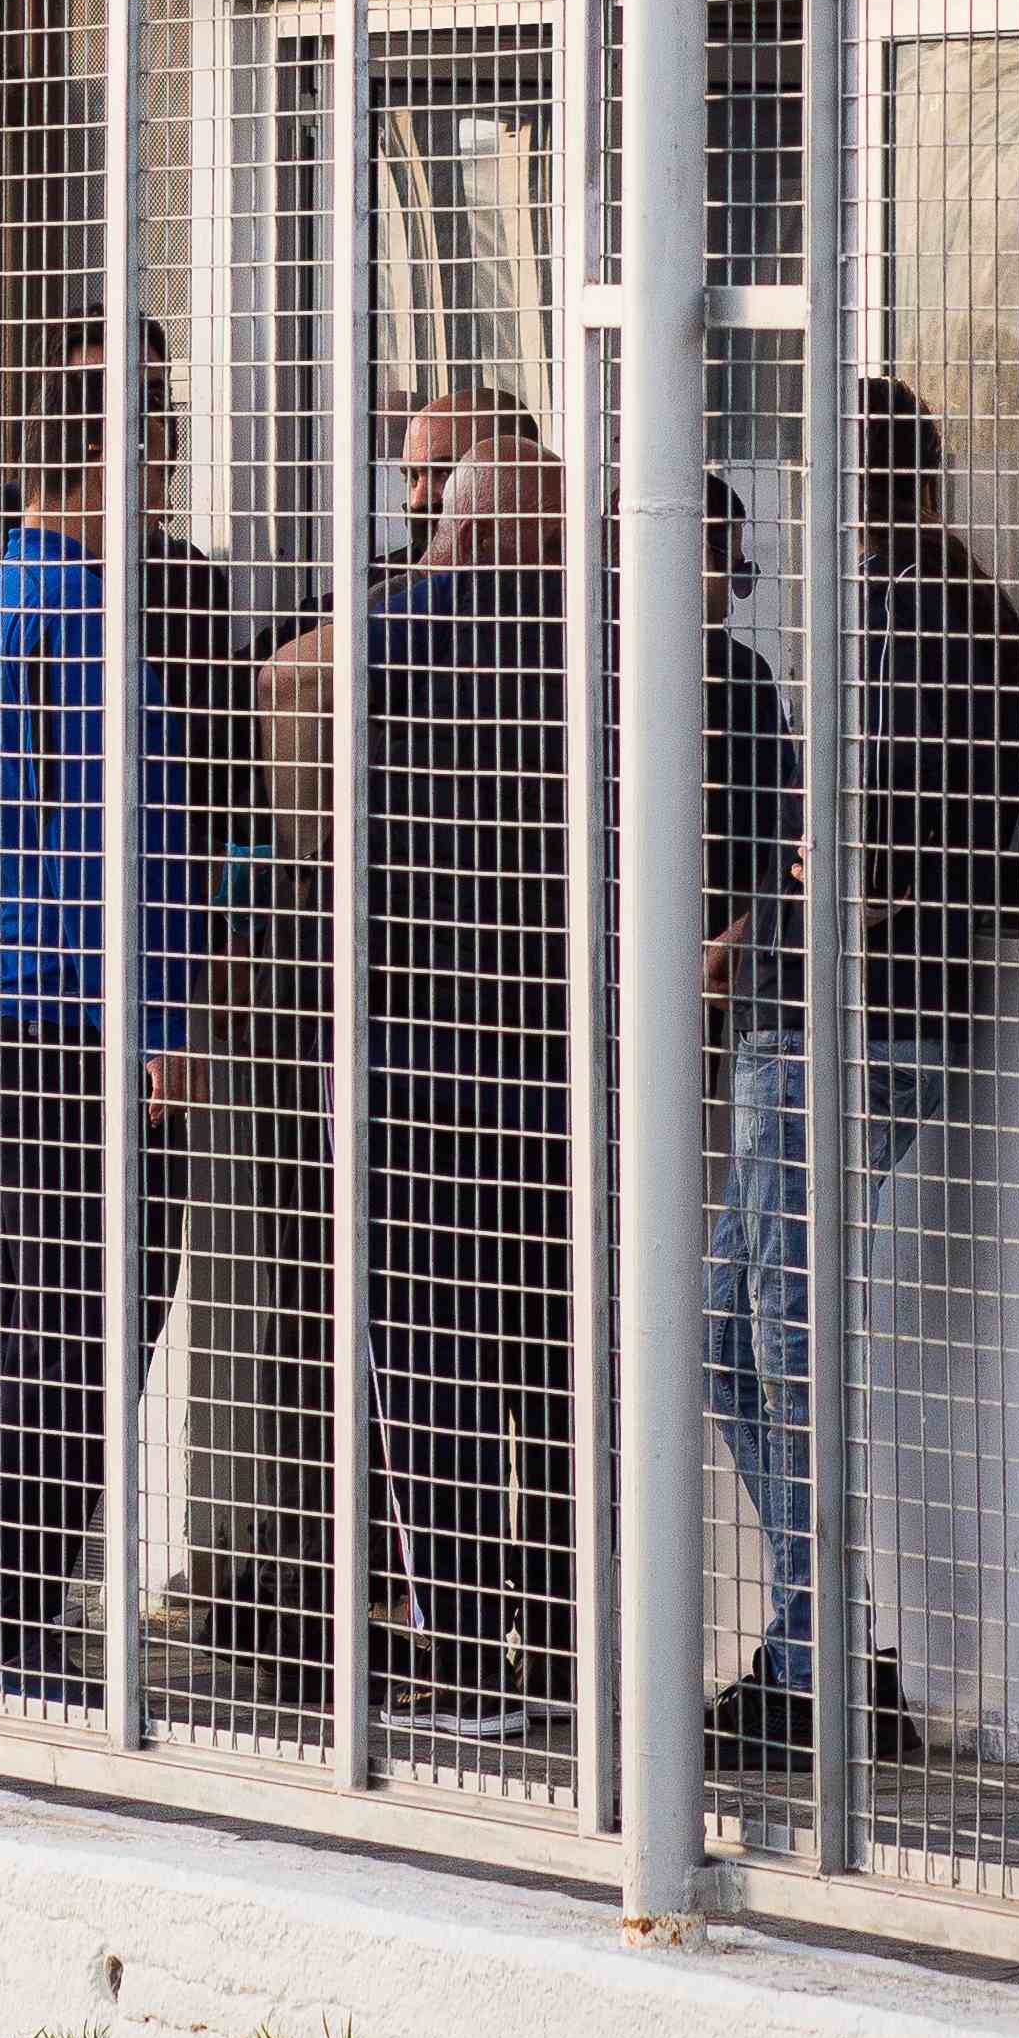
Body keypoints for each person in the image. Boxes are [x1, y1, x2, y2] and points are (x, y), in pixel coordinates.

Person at [699, 377, 1019, 1774]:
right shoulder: (935, 607)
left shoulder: (914, 615)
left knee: (782, 1337)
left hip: (845, 1022)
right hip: (834, 1010)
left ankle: (822, 1666)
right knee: (734, 1335)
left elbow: (881, 828)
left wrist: (809, 883)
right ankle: (820, 1643)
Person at [0, 316, 208, 1702]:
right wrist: (165, 1017)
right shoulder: (86, 616)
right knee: (88, 1321)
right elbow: (132, 834)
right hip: (80, 1020)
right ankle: (4, 1615)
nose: (163, 491)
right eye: (155, 456)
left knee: (16, 1317)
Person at [354, 438, 575, 1735]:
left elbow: (285, 696)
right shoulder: (591, 644)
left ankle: (451, 1647)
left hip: (416, 1048)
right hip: (548, 1055)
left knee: (428, 1358)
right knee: (545, 1362)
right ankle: (547, 1645)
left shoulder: (394, 634)